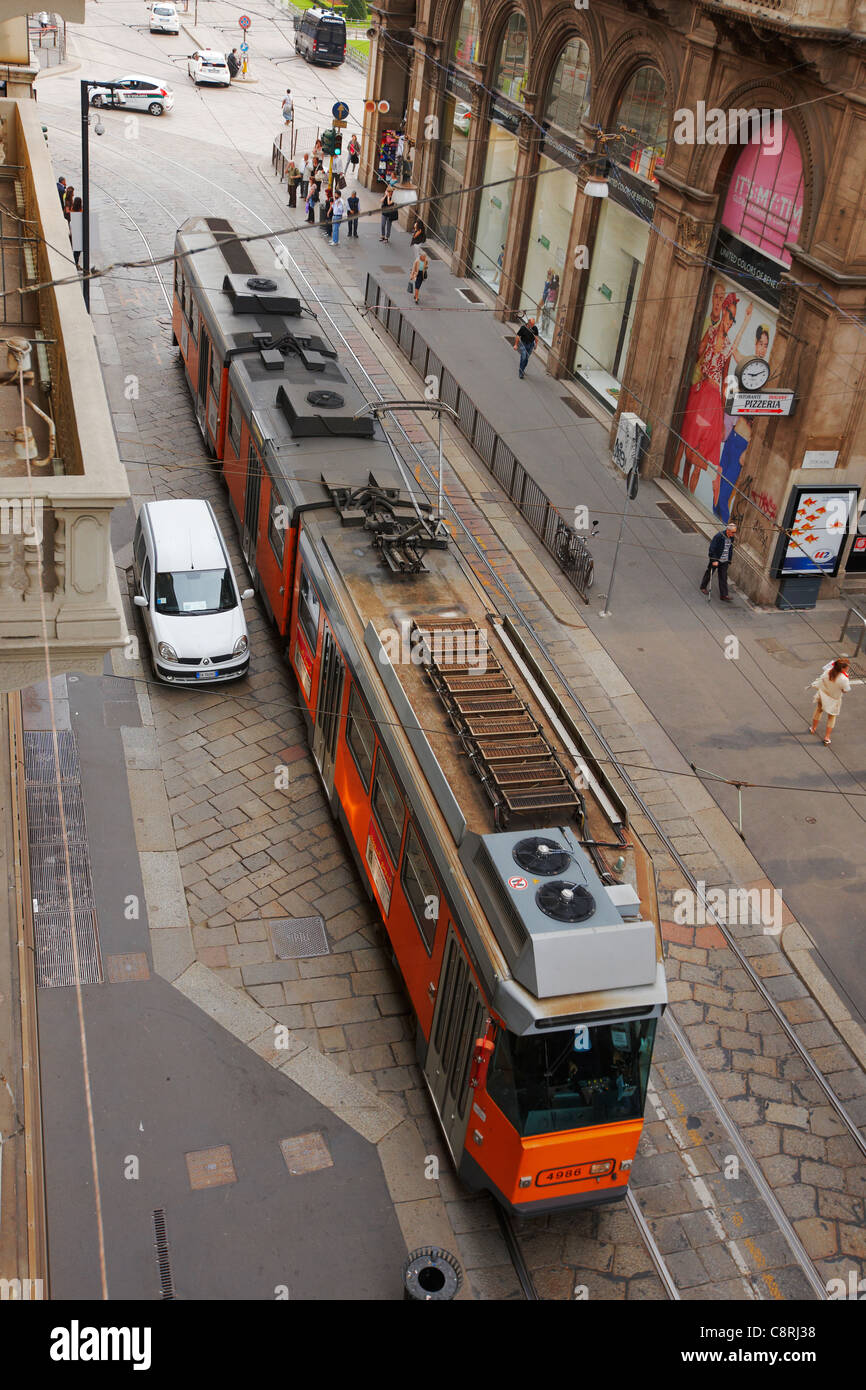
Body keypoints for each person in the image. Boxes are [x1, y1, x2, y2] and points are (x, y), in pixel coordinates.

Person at [680, 293, 752, 493]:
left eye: (734, 319)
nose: (731, 322)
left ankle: (693, 490)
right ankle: (684, 484)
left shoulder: (728, 346)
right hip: (701, 394)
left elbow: (725, 377)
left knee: (700, 452)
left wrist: (724, 408)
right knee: (690, 446)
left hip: (712, 403)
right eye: (730, 316)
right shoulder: (711, 334)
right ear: (724, 312)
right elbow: (696, 355)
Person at [809, 656, 861, 745]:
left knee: (818, 710)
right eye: (847, 667)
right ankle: (827, 737)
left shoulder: (828, 671)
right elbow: (845, 690)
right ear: (843, 668)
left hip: (823, 695)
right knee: (831, 717)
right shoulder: (844, 679)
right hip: (833, 699)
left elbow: (822, 679)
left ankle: (813, 728)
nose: (848, 668)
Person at [700, 522, 737, 600]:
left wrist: (729, 559)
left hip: (725, 560)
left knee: (723, 577)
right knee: (709, 573)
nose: (734, 534)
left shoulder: (731, 537)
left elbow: (730, 548)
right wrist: (714, 560)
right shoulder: (719, 536)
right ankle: (703, 587)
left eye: (735, 532)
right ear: (728, 530)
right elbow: (712, 549)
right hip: (716, 559)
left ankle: (724, 595)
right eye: (733, 532)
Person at [70, 197, 83, 266]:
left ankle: (76, 263)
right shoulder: (81, 211)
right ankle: (76, 264)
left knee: (76, 250)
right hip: (79, 232)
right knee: (77, 250)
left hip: (74, 231)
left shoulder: (72, 209)